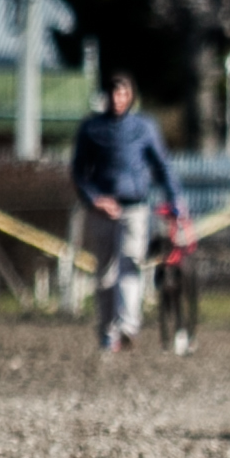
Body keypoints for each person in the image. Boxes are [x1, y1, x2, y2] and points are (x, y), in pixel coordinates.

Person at [71, 71, 187, 352]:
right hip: (101, 212)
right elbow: (78, 172)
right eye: (112, 93)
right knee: (105, 273)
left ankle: (127, 327)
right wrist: (95, 199)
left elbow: (162, 166)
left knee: (130, 265)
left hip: (134, 208)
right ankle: (107, 331)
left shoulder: (144, 128)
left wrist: (176, 201)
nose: (117, 99)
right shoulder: (91, 129)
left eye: (122, 93)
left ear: (131, 96)